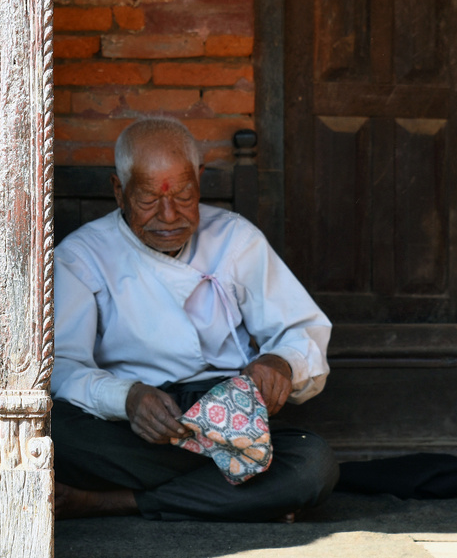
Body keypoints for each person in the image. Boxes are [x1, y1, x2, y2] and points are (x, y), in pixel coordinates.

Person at [49, 116, 338, 522]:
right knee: (53, 433)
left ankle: (112, 501)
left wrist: (281, 362)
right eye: (149, 199)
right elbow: (61, 368)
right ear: (119, 190)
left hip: (225, 418)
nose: (169, 215)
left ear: (200, 179)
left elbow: (300, 330)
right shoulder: (82, 256)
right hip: (135, 426)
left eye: (184, 194)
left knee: (313, 463)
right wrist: (128, 399)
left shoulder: (235, 238)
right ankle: (240, 489)